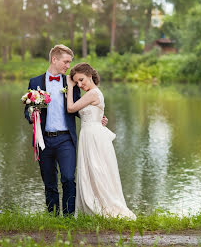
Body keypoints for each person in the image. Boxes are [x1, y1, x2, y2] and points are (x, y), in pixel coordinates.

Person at [24, 45, 107, 216]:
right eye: (66, 61)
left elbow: (78, 107)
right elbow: (27, 109)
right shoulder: (35, 82)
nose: (68, 65)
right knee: (49, 182)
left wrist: (98, 117)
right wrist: (32, 116)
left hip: (66, 140)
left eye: (70, 62)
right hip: (43, 139)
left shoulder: (71, 83)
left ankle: (69, 217)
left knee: (69, 178)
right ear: (54, 59)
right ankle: (53, 217)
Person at [66, 62, 136, 220]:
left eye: (81, 80)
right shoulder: (91, 93)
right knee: (92, 171)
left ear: (90, 76)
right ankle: (94, 204)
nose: (80, 84)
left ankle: (103, 206)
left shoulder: (93, 93)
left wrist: (70, 87)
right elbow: (89, 113)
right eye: (76, 82)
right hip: (89, 134)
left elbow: (70, 108)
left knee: (97, 170)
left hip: (93, 137)